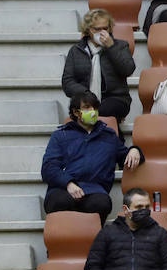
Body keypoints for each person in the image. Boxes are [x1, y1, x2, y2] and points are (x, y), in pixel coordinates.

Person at [41, 91, 144, 224]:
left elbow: (126, 157)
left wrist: (135, 150)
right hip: (63, 189)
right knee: (59, 201)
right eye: (87, 108)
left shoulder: (109, 136)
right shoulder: (61, 136)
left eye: (95, 107)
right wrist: (68, 183)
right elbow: (48, 168)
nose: (93, 111)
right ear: (76, 112)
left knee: (102, 203)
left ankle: (91, 241)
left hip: (94, 191)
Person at [61, 8, 137, 123]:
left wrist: (111, 47)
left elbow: (128, 69)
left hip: (115, 99)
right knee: (87, 112)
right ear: (88, 30)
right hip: (85, 99)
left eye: (105, 28)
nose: (102, 32)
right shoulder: (76, 50)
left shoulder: (120, 46)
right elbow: (67, 82)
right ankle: (115, 138)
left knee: (99, 113)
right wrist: (86, 94)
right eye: (97, 29)